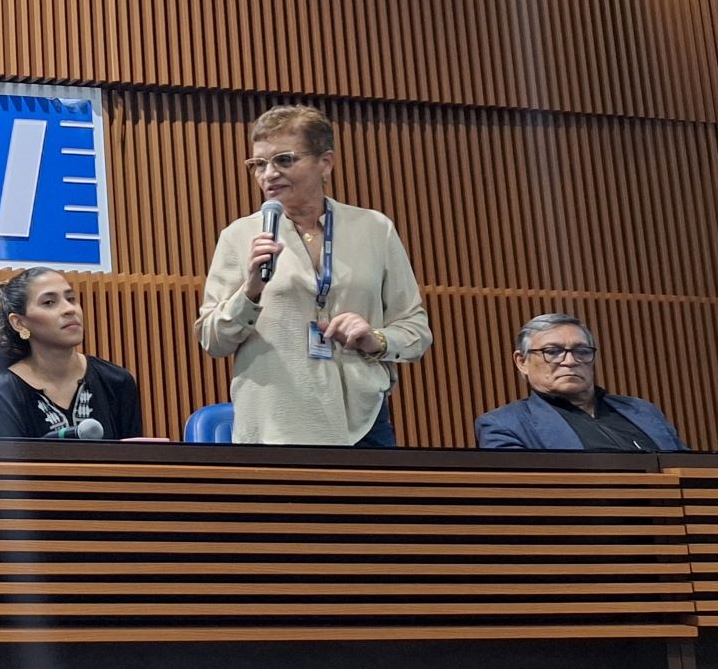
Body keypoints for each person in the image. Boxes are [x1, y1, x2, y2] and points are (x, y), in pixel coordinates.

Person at [197, 105, 431, 446]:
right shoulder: (239, 236)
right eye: (258, 164)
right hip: (276, 425)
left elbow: (415, 330)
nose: (269, 174)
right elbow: (212, 340)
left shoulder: (374, 229)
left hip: (363, 423)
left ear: (326, 162)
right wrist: (250, 291)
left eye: (284, 160)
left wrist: (375, 339)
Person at [0, 268, 142, 440]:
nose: (69, 309)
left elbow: (134, 455)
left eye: (71, 299)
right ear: (19, 323)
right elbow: (14, 458)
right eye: (49, 302)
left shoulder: (117, 381)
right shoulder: (2, 391)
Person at [475, 315, 684, 452]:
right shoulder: (505, 425)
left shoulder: (642, 410)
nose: (570, 361)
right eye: (552, 352)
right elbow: (522, 495)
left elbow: (690, 470)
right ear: (522, 362)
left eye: (581, 351)